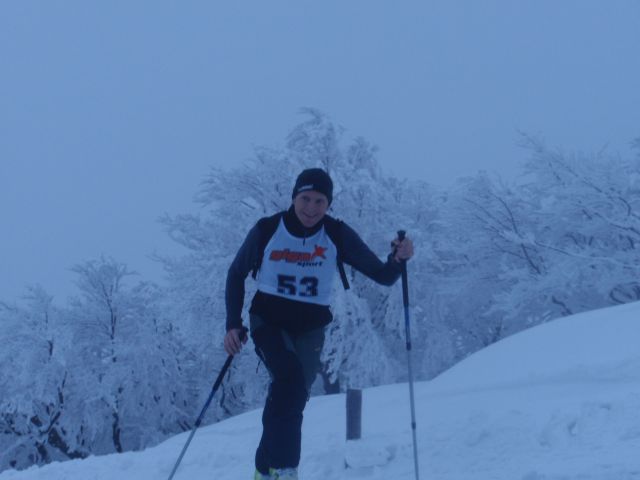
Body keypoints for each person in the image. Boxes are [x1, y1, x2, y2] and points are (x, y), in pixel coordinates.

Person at [224, 168, 414, 480]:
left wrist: (398, 259)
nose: (311, 208)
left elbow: (383, 276)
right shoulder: (268, 229)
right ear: (294, 198)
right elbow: (235, 273)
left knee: (293, 395)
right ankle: (285, 469)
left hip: (311, 328)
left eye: (320, 201)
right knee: (288, 380)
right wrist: (232, 323)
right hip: (268, 320)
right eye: (306, 199)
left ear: (328, 204)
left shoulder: (337, 234)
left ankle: (264, 469)